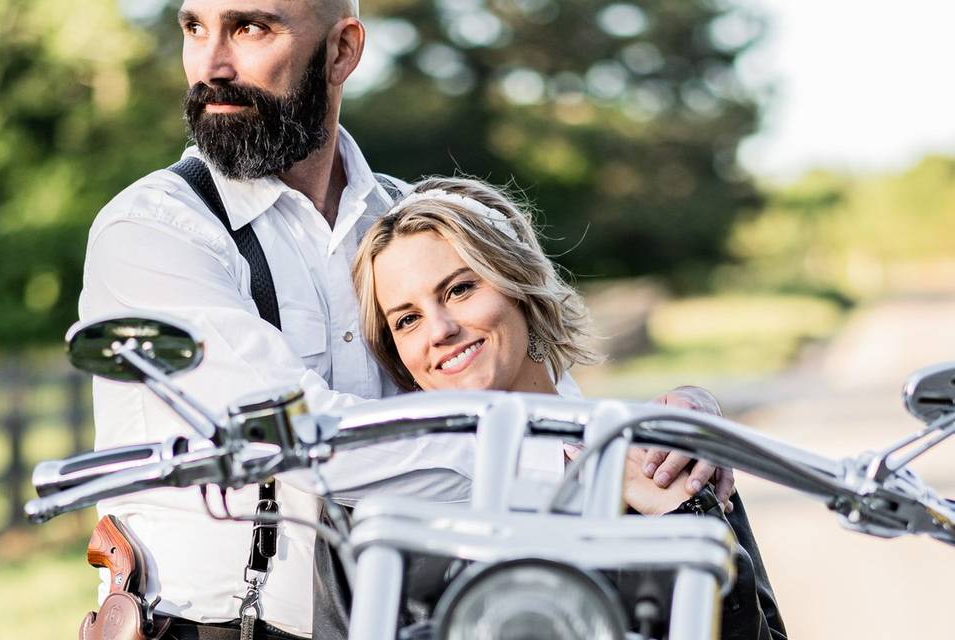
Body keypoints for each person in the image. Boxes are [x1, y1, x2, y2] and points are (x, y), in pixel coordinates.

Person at [79, 0, 735, 637]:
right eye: (195, 28)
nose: (212, 64)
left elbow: (527, 389)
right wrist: (574, 465)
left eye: (250, 28)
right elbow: (289, 437)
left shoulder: (408, 218)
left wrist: (662, 432)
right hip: (216, 628)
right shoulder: (154, 229)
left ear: (342, 50)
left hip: (417, 615)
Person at [351, 176, 787, 638]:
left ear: (517, 283)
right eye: (407, 319)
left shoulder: (657, 454)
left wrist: (678, 514)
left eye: (459, 290)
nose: (438, 330)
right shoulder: (406, 515)